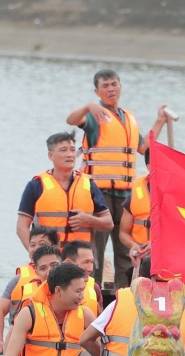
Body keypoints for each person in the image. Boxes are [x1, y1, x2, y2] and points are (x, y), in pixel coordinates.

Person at [65, 69, 169, 287]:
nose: (111, 89)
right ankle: (93, 295)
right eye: (105, 86)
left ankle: (125, 296)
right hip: (98, 192)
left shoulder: (129, 117)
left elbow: (143, 148)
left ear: (120, 86)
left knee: (125, 250)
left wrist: (159, 121)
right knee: (97, 251)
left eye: (114, 84)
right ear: (97, 91)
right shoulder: (94, 115)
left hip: (125, 193)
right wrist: (87, 106)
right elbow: (71, 119)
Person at [3, 262, 95, 356]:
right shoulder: (29, 314)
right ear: (58, 290)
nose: (82, 296)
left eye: (83, 290)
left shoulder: (86, 315)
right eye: (77, 291)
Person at [16, 132, 112, 255]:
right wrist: (35, 253)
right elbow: (21, 227)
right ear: (50, 156)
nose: (70, 154)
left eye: (72, 150)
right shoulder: (36, 185)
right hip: (50, 257)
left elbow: (108, 224)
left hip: (79, 258)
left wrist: (88, 219)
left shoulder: (88, 184)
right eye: (63, 150)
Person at [0, 232, 59, 355]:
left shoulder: (70, 285)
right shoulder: (18, 280)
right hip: (21, 347)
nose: (36, 248)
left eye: (42, 244)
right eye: (32, 244)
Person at [117, 173, 150, 267]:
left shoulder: (176, 193)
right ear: (149, 167)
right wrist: (132, 245)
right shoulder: (134, 196)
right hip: (142, 260)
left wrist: (158, 244)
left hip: (168, 260)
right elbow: (123, 233)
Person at [61, 241, 102, 316]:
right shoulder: (52, 289)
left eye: (92, 262)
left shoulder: (94, 288)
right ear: (68, 263)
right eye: (86, 262)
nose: (90, 269)